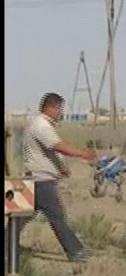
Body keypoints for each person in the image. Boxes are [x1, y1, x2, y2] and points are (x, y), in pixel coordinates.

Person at [14, 93, 97, 262]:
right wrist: (83, 153)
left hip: (36, 179)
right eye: (60, 109)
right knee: (57, 217)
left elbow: (50, 151)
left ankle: (8, 246)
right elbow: (58, 147)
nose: (61, 113)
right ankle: (75, 251)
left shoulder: (42, 125)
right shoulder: (41, 126)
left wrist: (62, 168)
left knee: (21, 218)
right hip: (41, 180)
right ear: (51, 108)